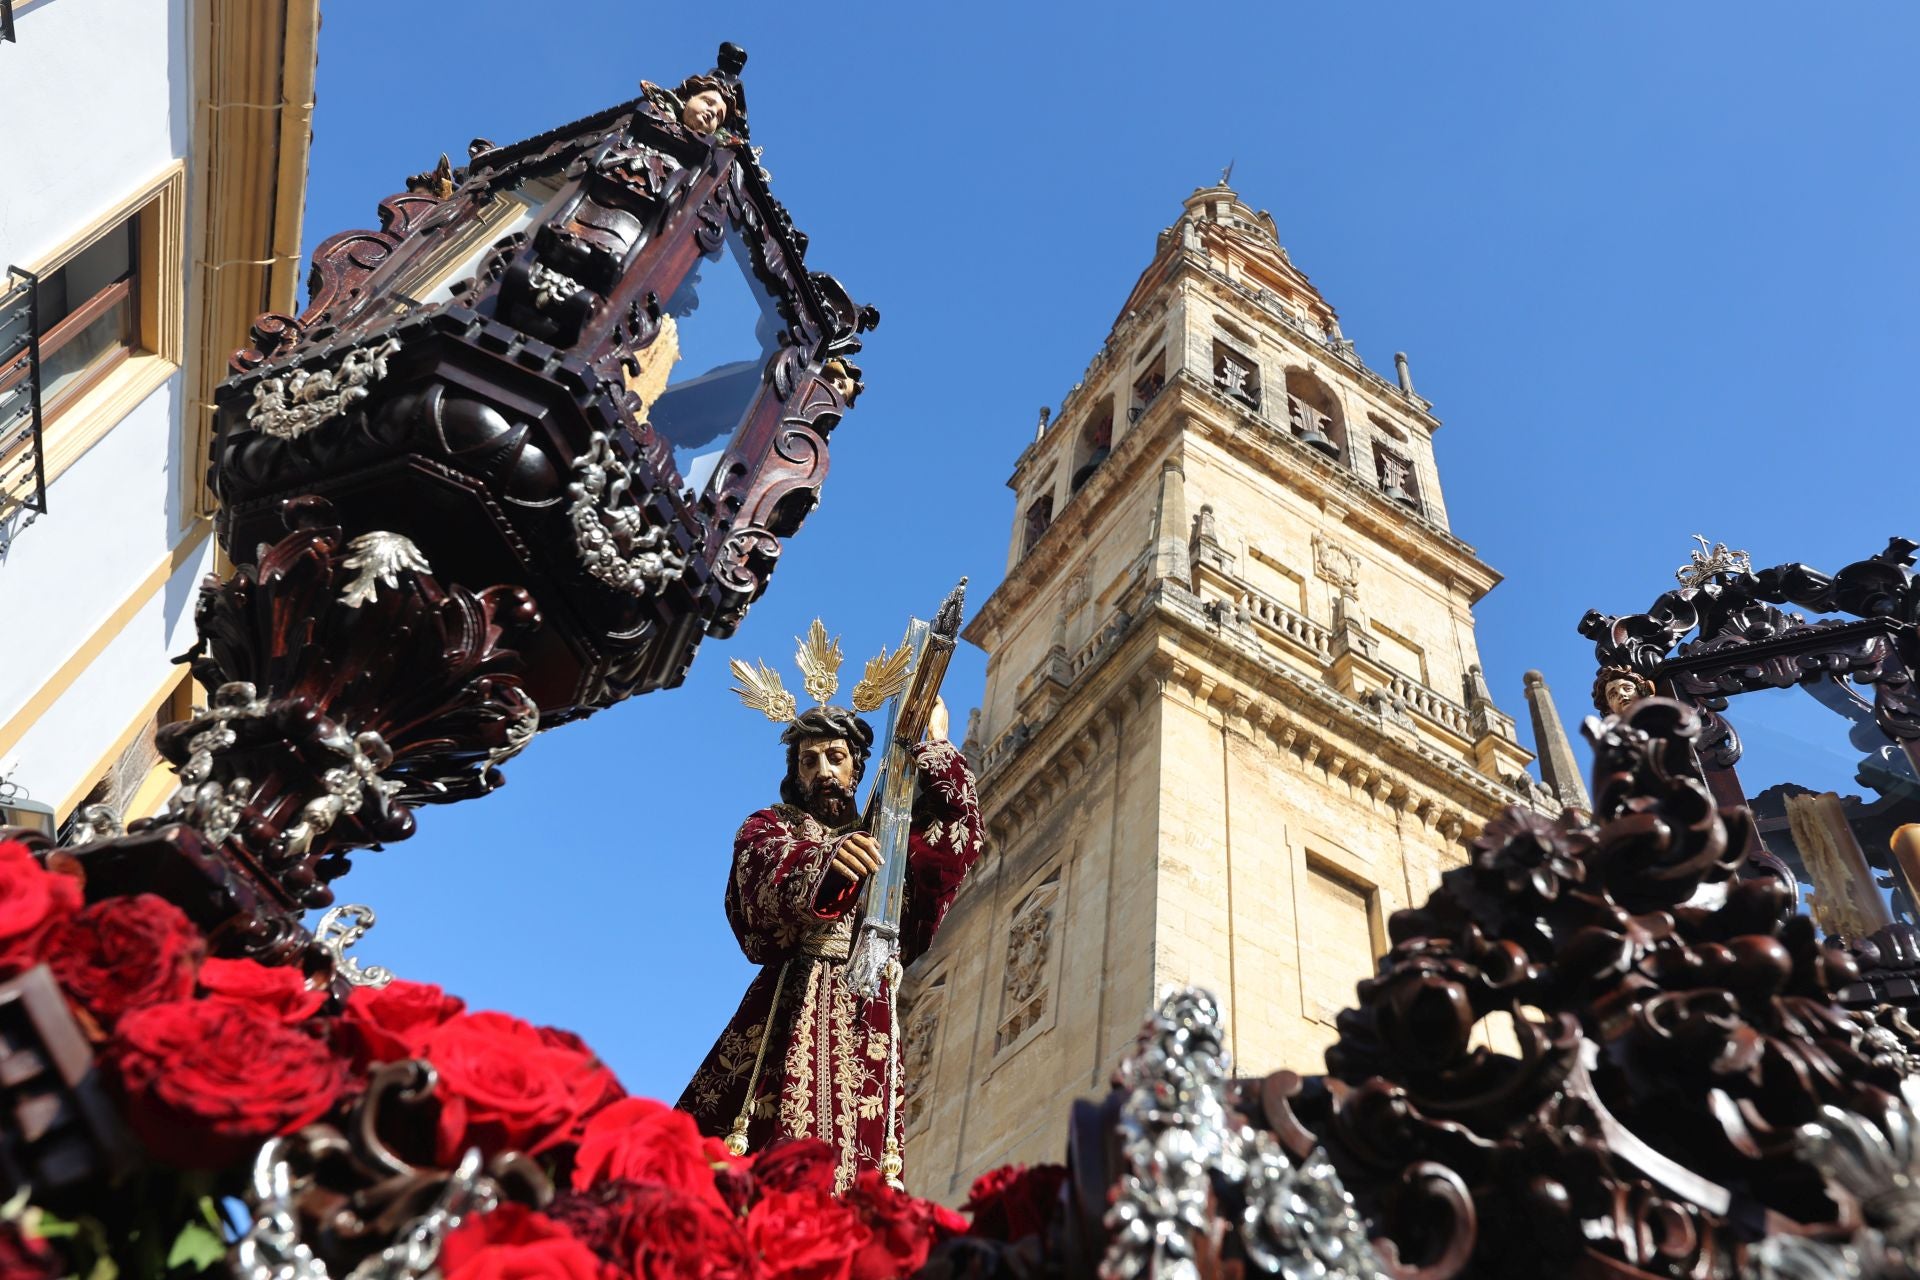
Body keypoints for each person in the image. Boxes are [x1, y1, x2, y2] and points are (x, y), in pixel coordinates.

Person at [677, 697, 982, 1191]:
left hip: (869, 1015)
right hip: (793, 1002)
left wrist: (938, 748)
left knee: (858, 1167)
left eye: (835, 757)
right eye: (809, 760)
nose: (823, 771)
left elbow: (952, 845)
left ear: (856, 767)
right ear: (795, 772)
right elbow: (758, 874)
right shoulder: (774, 825)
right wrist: (827, 860)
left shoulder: (888, 831)